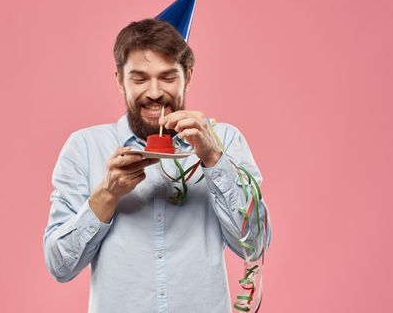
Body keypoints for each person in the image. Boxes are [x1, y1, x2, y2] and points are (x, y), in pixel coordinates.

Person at [42, 16, 272, 313]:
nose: (153, 92)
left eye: (167, 77)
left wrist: (213, 158)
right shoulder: (85, 147)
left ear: (188, 76)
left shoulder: (225, 139)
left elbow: (254, 245)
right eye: (139, 78)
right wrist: (106, 196)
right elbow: (60, 266)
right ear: (119, 80)